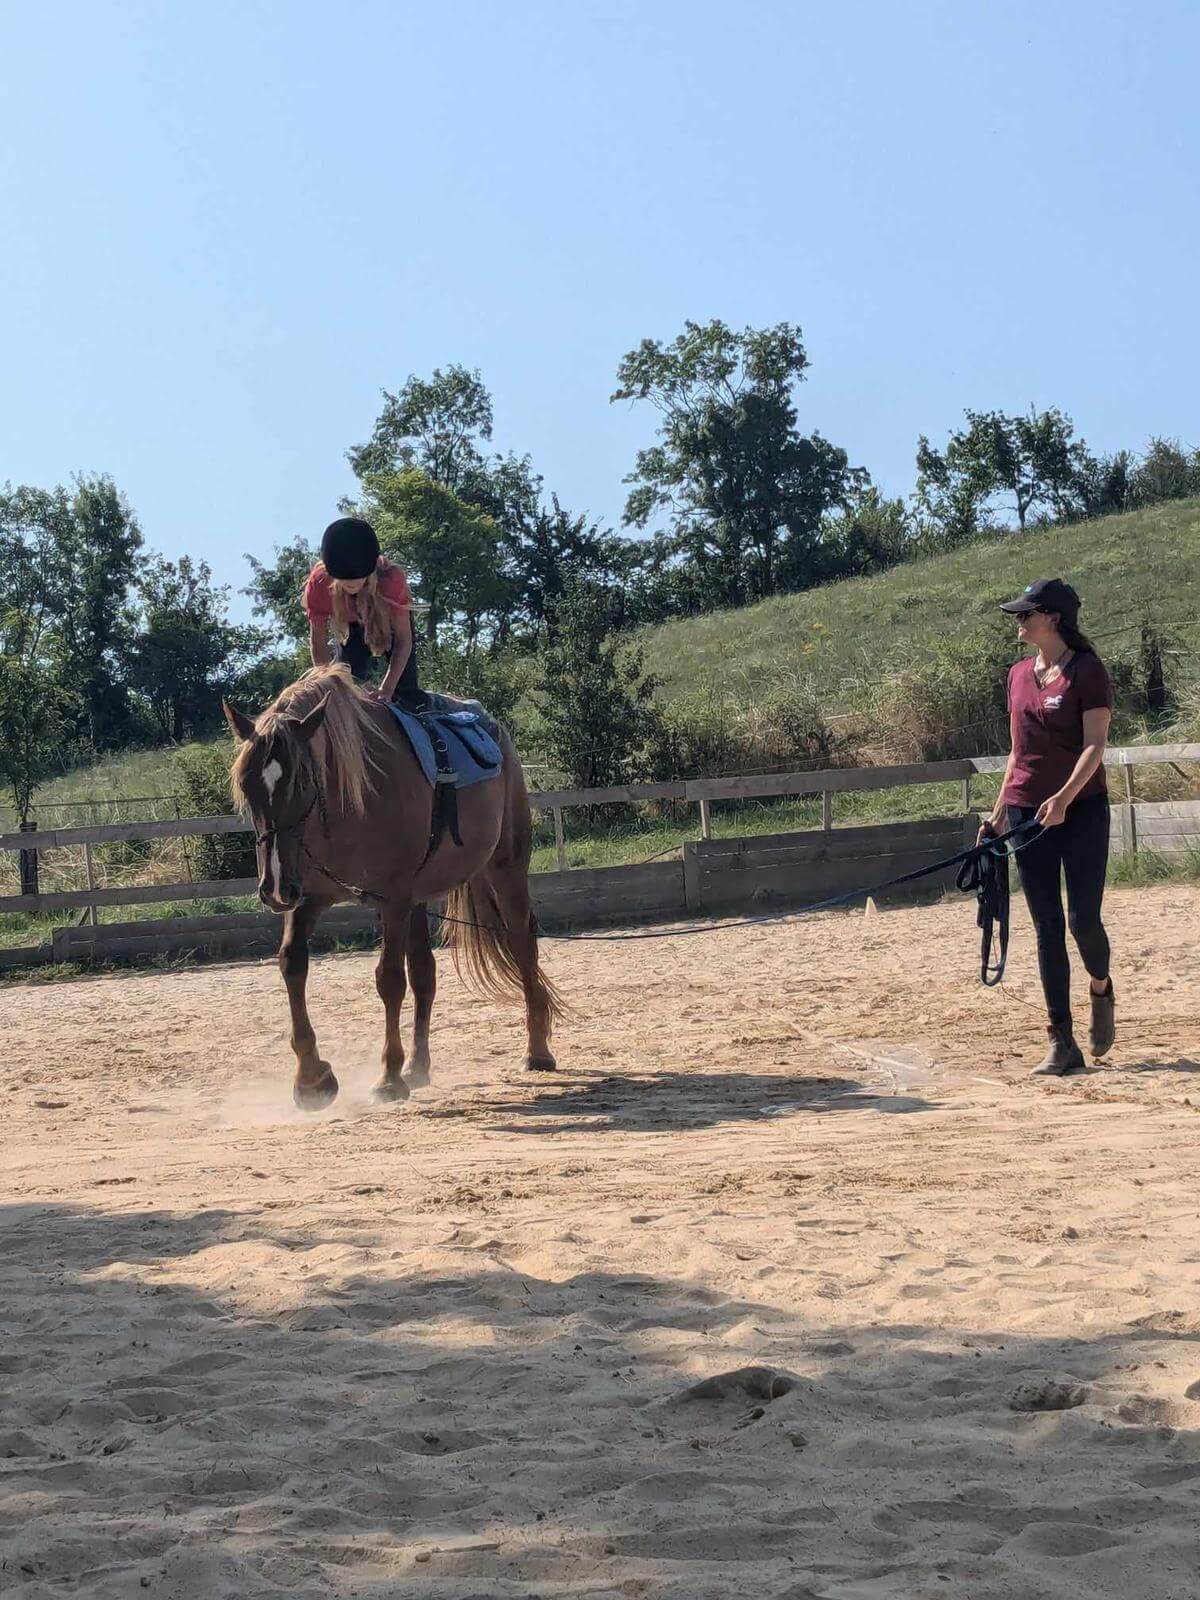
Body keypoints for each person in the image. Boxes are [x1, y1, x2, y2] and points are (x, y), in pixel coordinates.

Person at [981, 578, 1116, 1076]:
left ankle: (1100, 986)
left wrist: (1065, 797)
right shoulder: (1017, 675)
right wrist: (998, 814)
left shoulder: (1087, 670)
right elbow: (1018, 752)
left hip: (1081, 811)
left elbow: (1095, 744)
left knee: (1082, 920)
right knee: (1046, 926)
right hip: (1025, 812)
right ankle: (1062, 1040)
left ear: (1053, 618)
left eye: (1027, 613)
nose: (1019, 621)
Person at [303, 516, 423, 706]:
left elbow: (403, 640)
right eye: (344, 577)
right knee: (348, 685)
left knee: (406, 695)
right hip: (352, 627)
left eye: (358, 576)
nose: (352, 583)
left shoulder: (391, 579)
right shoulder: (319, 583)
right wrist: (328, 688)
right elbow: (318, 642)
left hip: (390, 624)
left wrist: (386, 690)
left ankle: (419, 712)